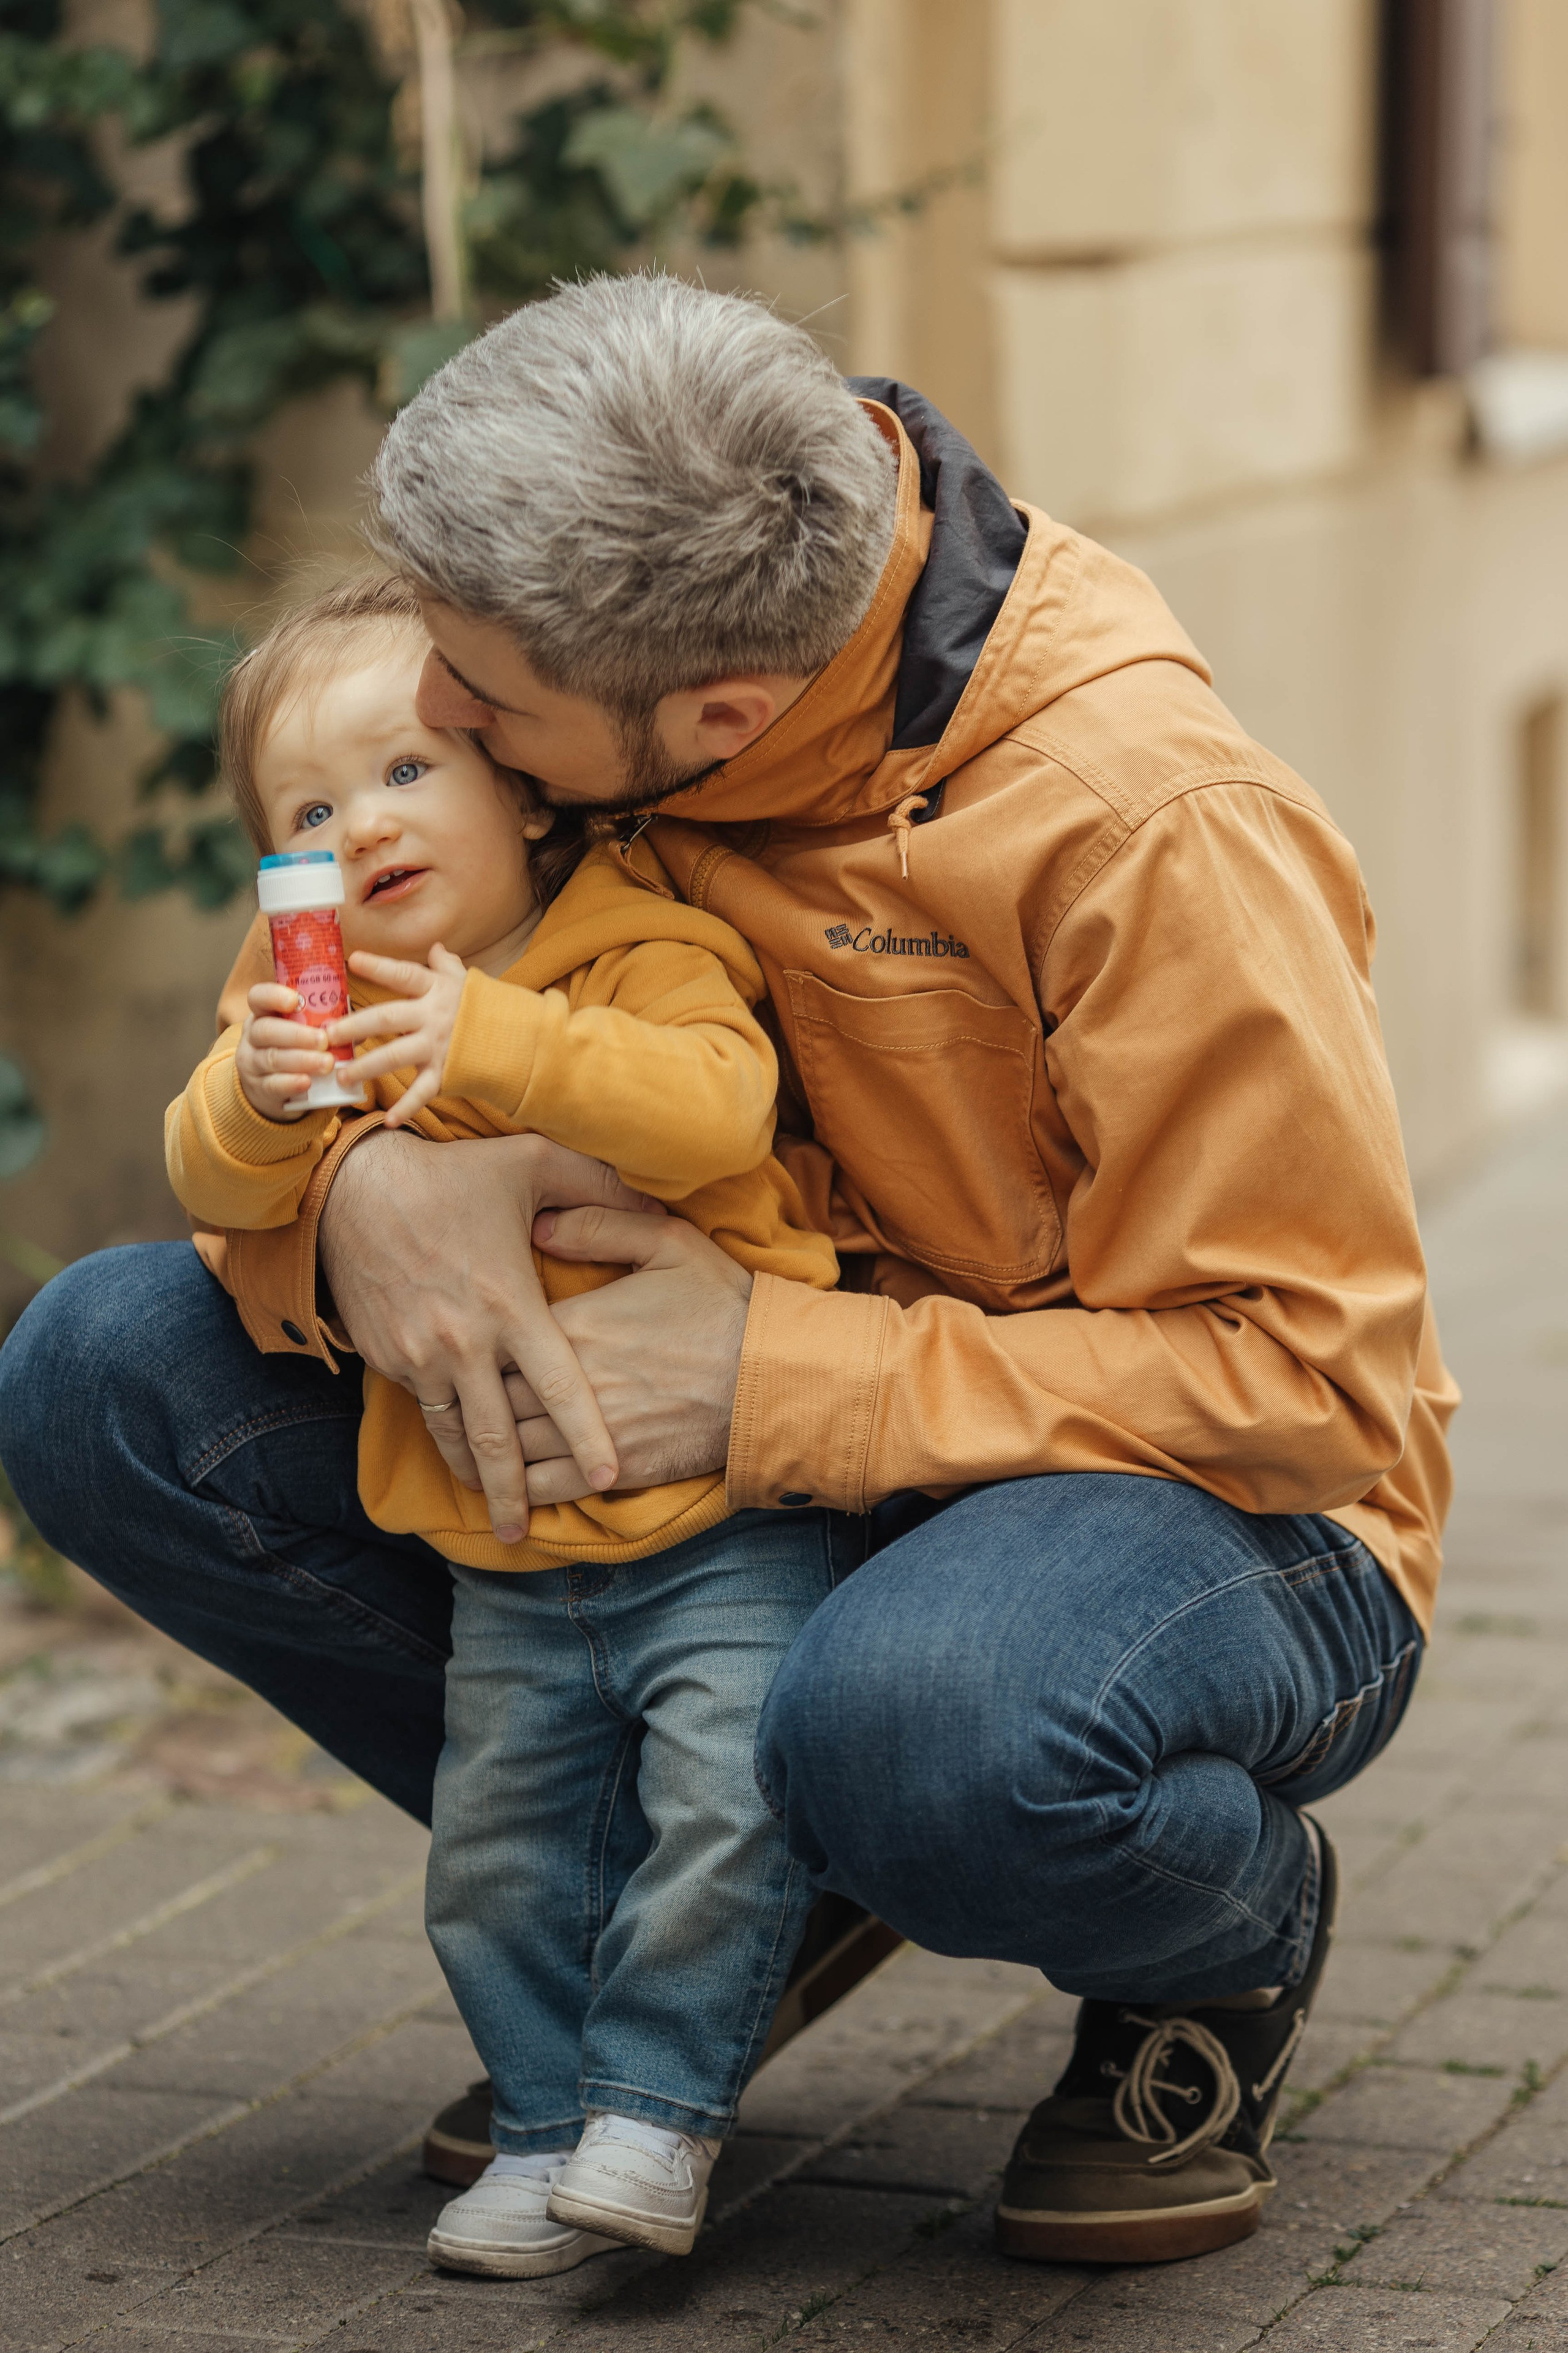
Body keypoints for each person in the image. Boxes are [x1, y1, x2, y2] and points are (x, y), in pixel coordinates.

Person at [0, 273, 1459, 2269]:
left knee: (927, 1722)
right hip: (743, 1497)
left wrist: (779, 1370)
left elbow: (1307, 1382)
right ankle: (701, 1896)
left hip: (1207, 1509)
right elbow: (331, 1056)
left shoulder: (1152, 831)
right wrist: (358, 1197)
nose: (435, 728)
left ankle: (1212, 1937)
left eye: (480, 706)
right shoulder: (648, 650)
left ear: (717, 724)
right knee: (107, 1365)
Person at [165, 570, 847, 2276]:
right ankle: (548, 2125)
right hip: (510, 1546)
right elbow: (202, 1175)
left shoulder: (638, 942)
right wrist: (257, 1106)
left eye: (408, 770)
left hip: (723, 1522)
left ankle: (660, 2115)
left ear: (526, 783)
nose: (364, 825)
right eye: (310, 810)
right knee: (497, 1860)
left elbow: (713, 1111)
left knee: (722, 1810)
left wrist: (497, 1035)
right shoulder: (316, 1003)